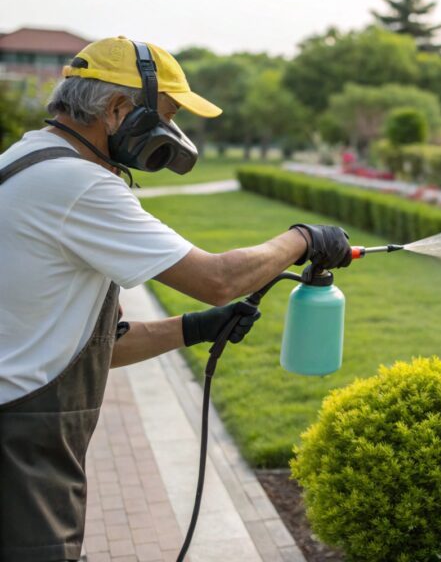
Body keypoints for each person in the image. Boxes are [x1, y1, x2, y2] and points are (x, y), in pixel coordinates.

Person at [0, 36, 351, 562]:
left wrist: (196, 328)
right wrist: (304, 238)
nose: (168, 132)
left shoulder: (29, 158)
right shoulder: (79, 184)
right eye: (162, 114)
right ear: (118, 110)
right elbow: (219, 277)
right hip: (20, 446)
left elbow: (101, 347)